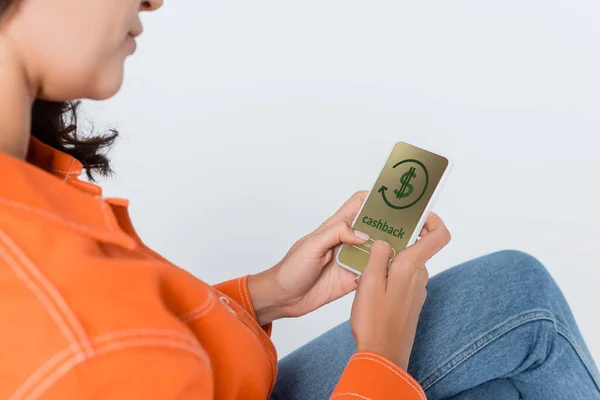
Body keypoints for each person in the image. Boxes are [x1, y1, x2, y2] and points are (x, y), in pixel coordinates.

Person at [0, 0, 598, 399]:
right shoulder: (81, 340)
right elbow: (113, 351)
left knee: (517, 293)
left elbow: (141, 339)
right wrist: (382, 355)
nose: (153, 0)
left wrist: (265, 297)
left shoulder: (28, 195)